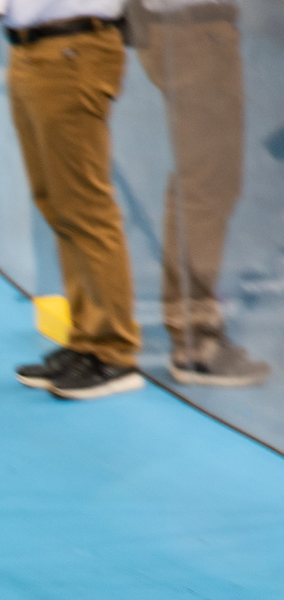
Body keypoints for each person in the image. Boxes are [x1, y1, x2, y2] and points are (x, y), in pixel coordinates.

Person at [0, 1, 146, 400]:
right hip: (31, 49)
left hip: (72, 49)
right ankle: (86, 339)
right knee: (56, 203)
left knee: (84, 206)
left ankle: (114, 351)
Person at [130, 0, 268, 386]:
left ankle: (192, 326)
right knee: (209, 180)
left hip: (176, 25)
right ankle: (196, 337)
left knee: (201, 179)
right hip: (192, 24)